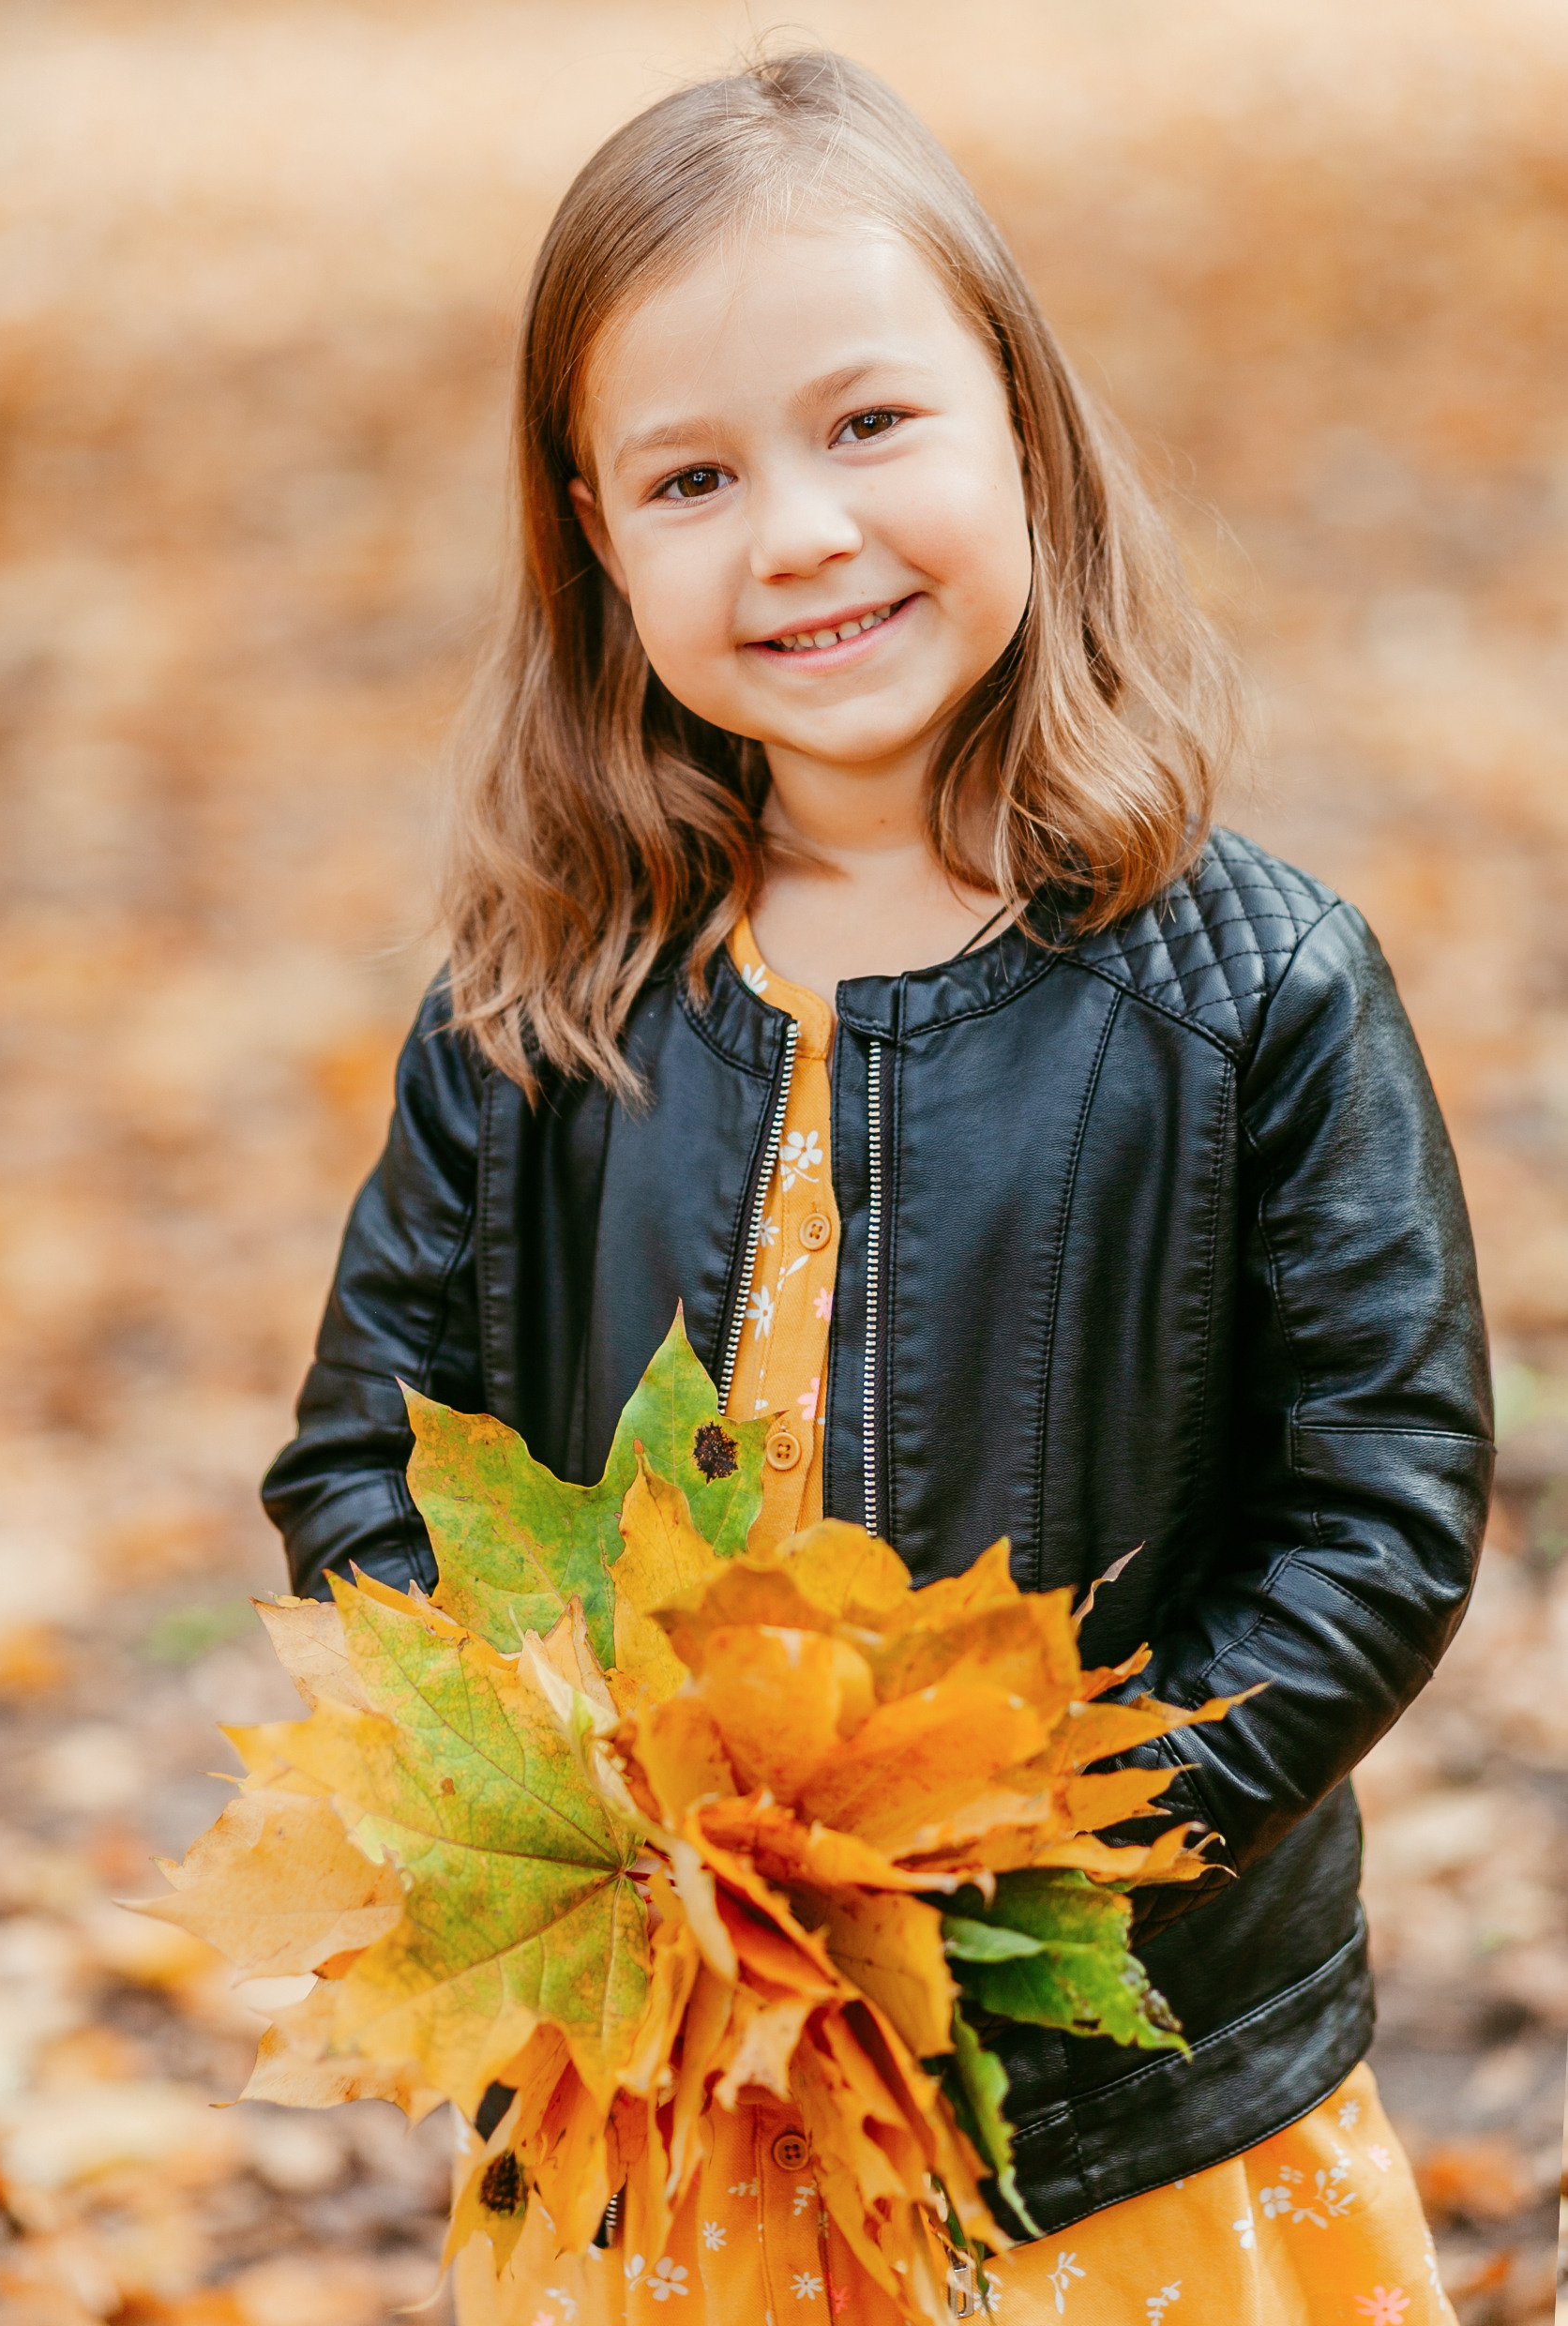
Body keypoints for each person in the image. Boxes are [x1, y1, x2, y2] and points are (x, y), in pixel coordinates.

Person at [262, 50, 1490, 2325]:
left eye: (869, 426)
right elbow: (368, 1460)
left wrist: (1068, 1853)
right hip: (673, 2080)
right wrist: (582, 1812)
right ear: (596, 538)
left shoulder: (1253, 997)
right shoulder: (539, 1010)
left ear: (1019, 426)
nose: (799, 532)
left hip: (1119, 2103)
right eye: (694, 476)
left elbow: (1379, 1505)